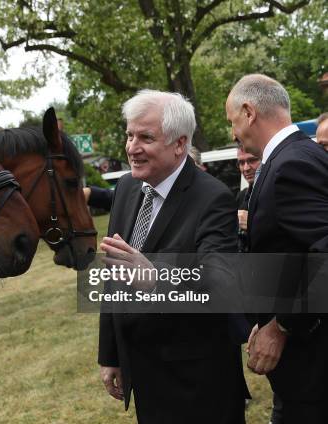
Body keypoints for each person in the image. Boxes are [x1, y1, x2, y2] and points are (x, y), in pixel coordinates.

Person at [98, 89, 247, 423]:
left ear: (180, 144)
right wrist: (111, 354)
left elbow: (219, 285)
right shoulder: (125, 188)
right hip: (145, 375)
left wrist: (155, 278)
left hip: (198, 383)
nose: (132, 148)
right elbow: (114, 275)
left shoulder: (213, 198)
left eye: (145, 137)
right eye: (129, 135)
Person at [226, 74, 328, 423]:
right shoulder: (298, 155)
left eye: (232, 122)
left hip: (313, 368)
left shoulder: (291, 165)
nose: (232, 133)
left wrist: (281, 325)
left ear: (249, 112)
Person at [235, 145, 261, 253]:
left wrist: (253, 223)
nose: (246, 168)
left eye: (252, 160)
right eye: (241, 163)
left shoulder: (274, 191)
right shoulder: (241, 196)